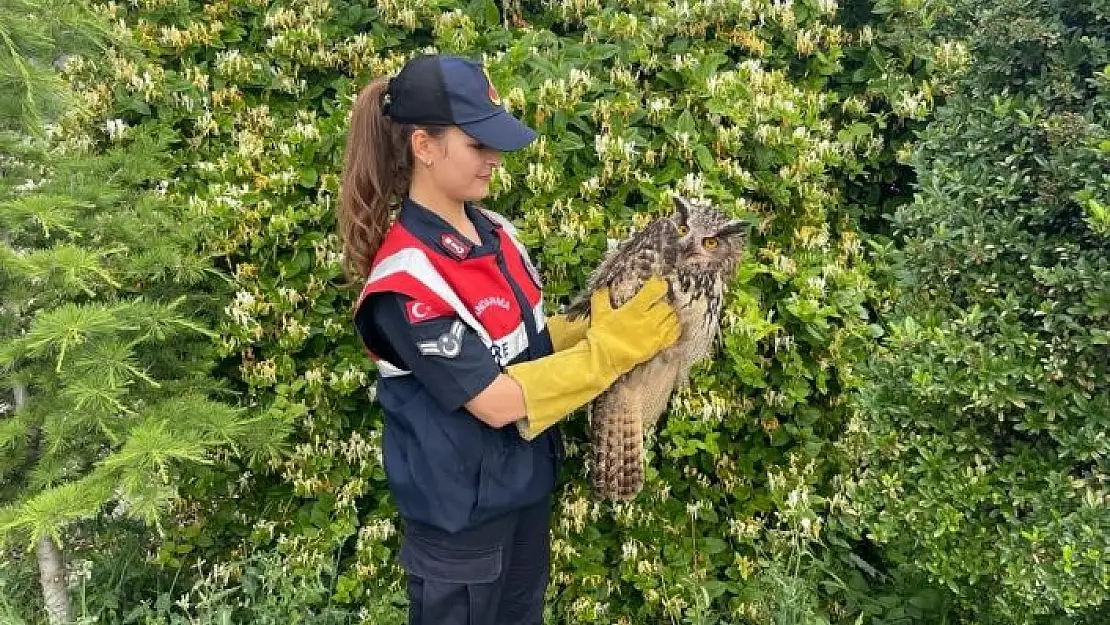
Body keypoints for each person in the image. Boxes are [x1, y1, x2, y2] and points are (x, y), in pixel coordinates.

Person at [336, 53, 682, 625]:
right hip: (462, 530)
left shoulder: (498, 236)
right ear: (424, 145)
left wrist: (596, 323)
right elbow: (497, 401)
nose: (494, 158)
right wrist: (615, 347)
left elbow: (529, 346)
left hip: (523, 497)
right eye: (477, 144)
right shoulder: (405, 283)